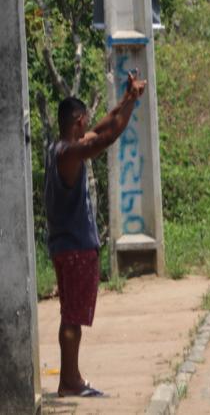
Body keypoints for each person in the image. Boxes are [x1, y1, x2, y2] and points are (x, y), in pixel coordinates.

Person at [46, 71, 147, 398]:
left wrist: (126, 100)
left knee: (71, 315)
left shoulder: (58, 148)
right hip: (74, 247)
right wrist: (129, 108)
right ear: (77, 121)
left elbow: (102, 129)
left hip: (67, 245)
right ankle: (70, 381)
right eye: (85, 122)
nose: (88, 126)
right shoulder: (68, 153)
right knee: (72, 317)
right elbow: (106, 138)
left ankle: (70, 378)